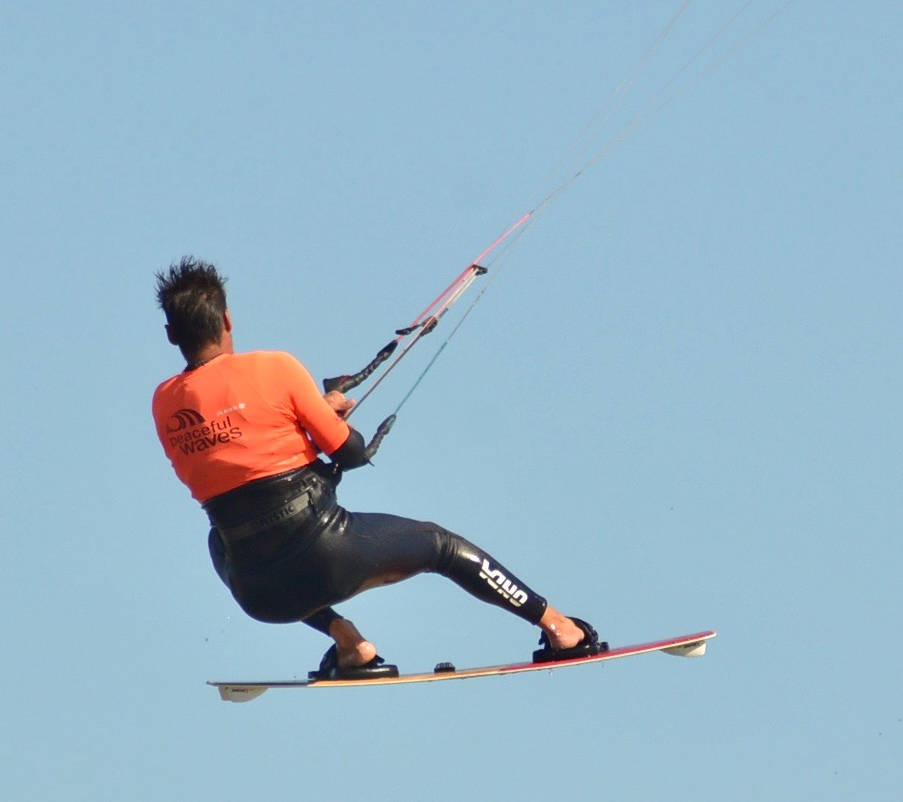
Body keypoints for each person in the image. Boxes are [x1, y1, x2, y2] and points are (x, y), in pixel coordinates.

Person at [151, 257, 600, 679]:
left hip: (260, 594)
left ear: (172, 334)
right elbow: (352, 455)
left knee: (222, 539)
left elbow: (236, 455)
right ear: (228, 320)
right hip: (329, 556)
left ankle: (348, 641)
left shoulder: (163, 403)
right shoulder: (274, 368)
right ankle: (561, 629)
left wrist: (310, 421)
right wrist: (324, 415)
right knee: (441, 546)